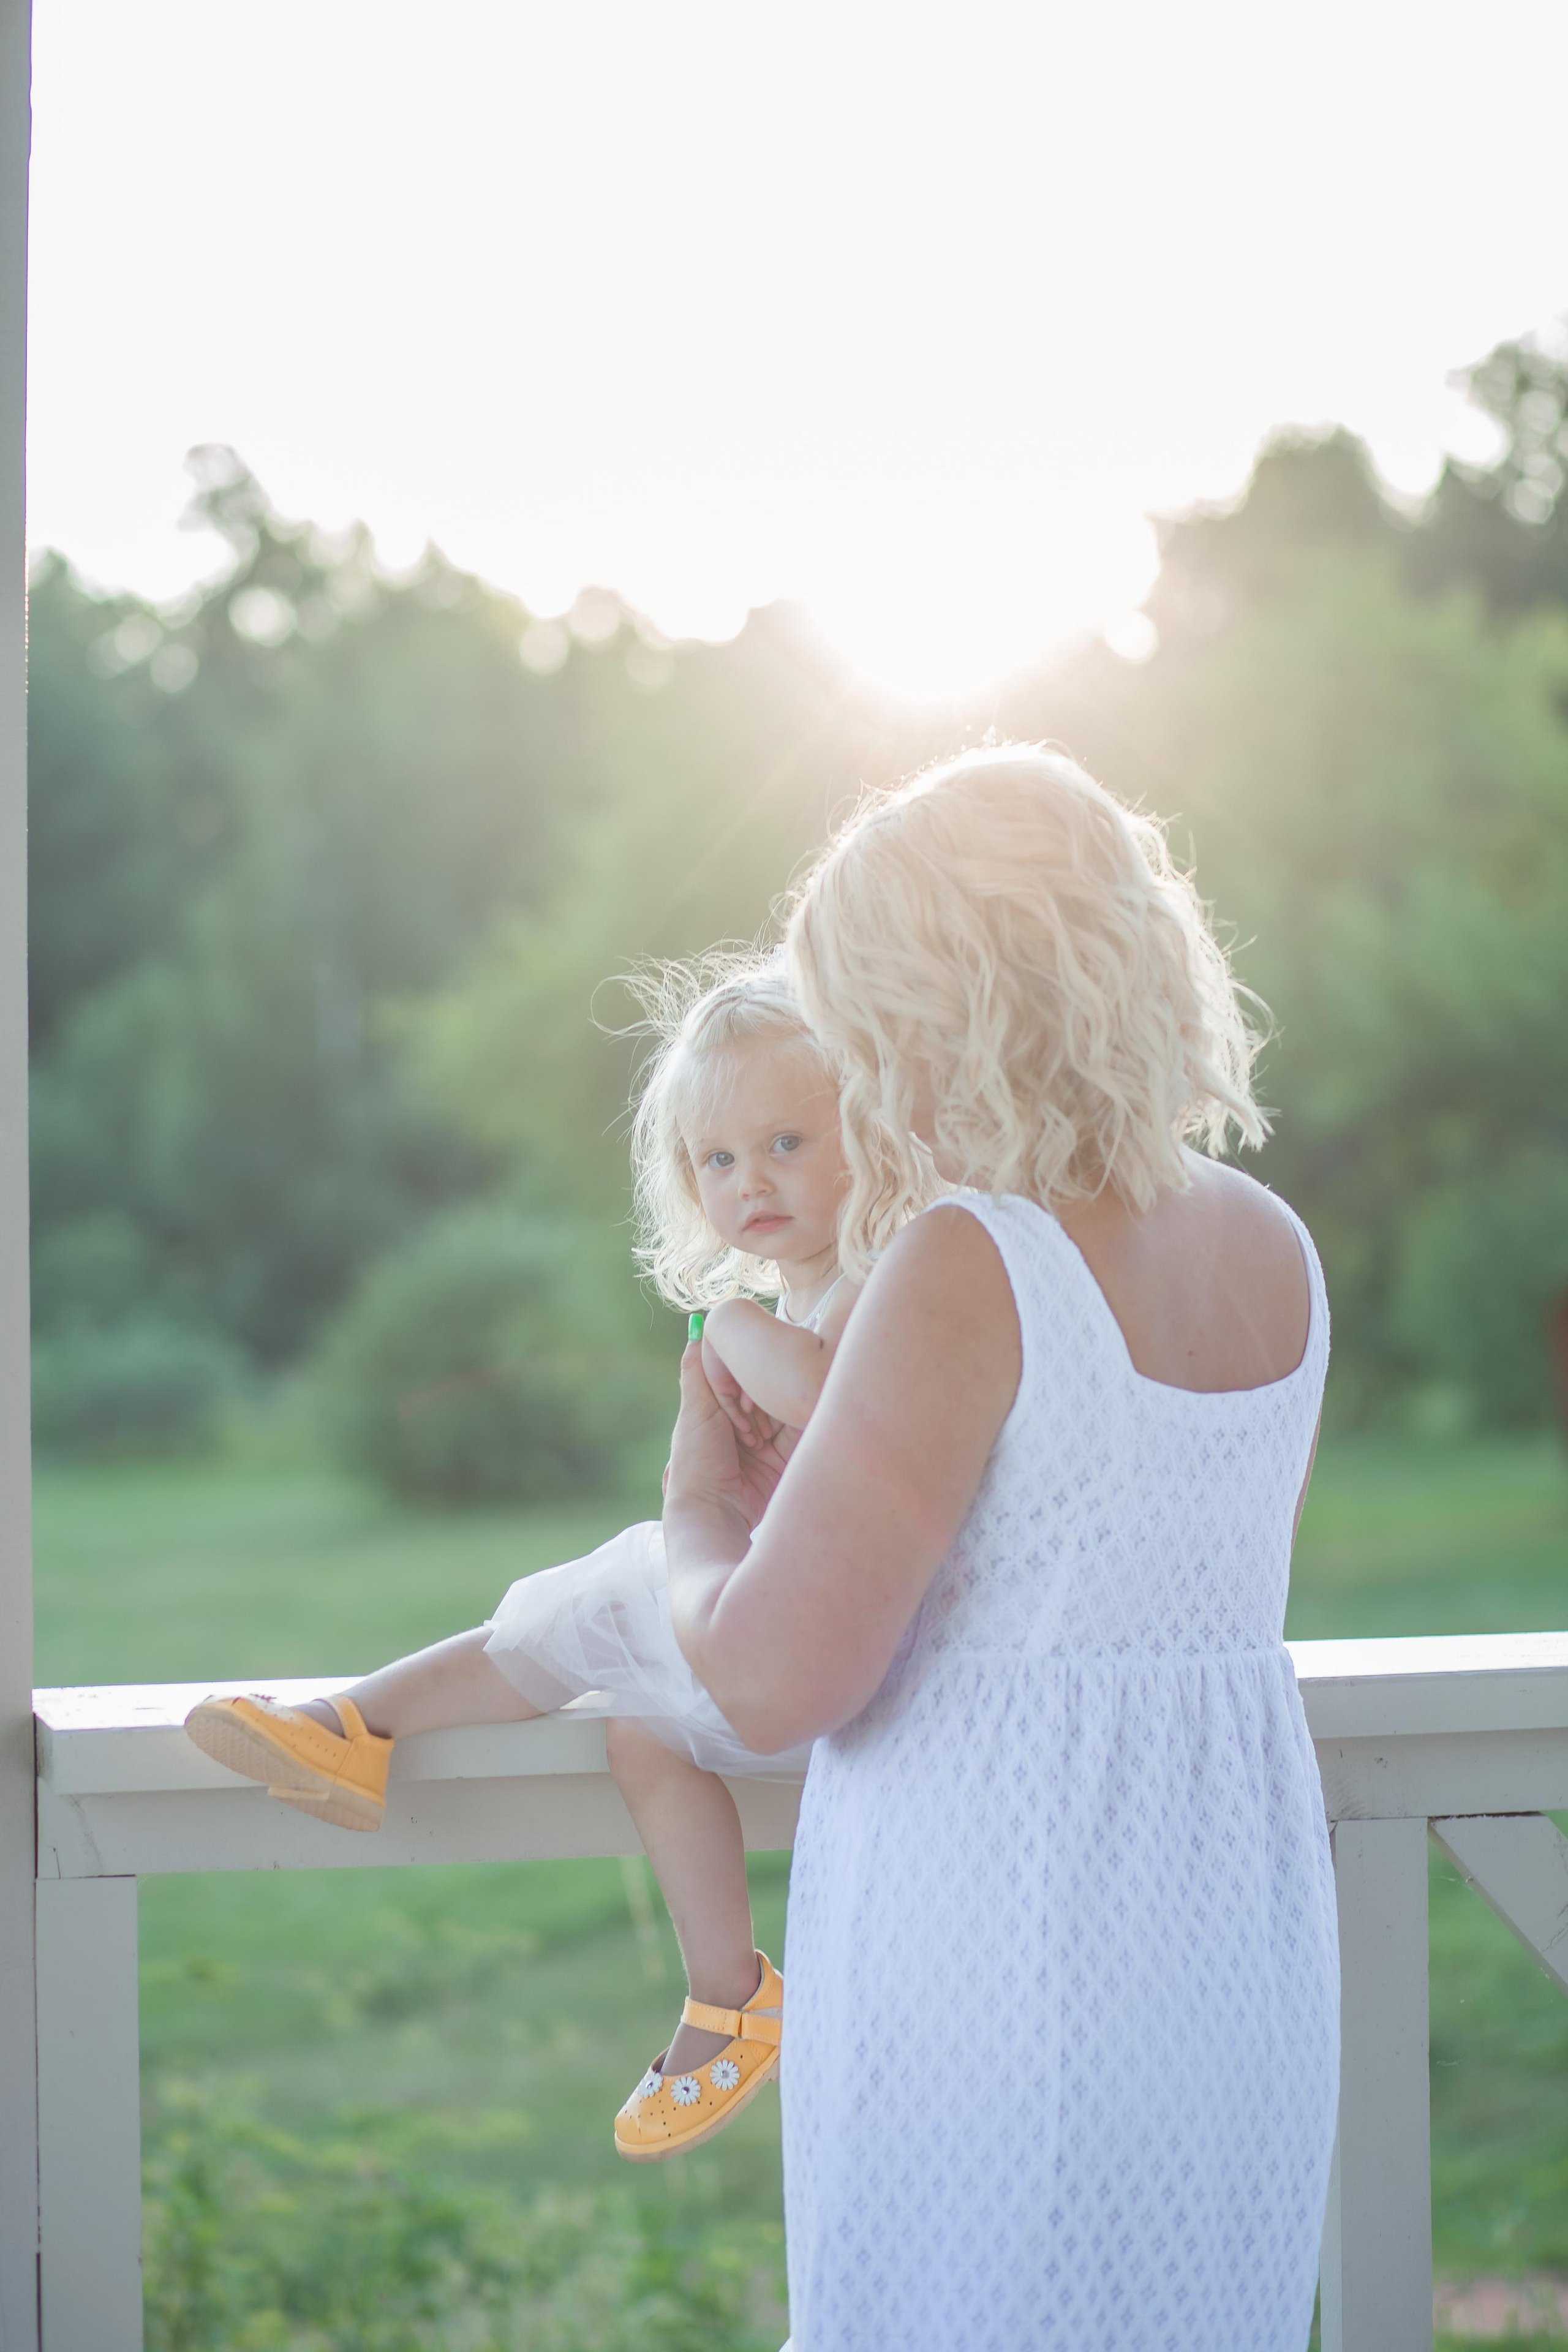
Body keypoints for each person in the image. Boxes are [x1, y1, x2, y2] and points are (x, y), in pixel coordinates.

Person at [661, 747, 1339, 2351]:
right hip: (1236, 1940)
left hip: (1007, 1946)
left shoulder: (972, 1262)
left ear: (933, 1007)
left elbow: (768, 1681)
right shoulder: (1269, 1239)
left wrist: (691, 1516)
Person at [185, 962, 925, 2160]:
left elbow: (837, 1405)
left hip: (845, 1662)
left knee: (612, 1587)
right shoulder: (789, 1299)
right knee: (638, 1728)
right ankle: (728, 1995)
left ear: (868, 1136)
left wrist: (736, 1328)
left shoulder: (877, 1279)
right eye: (718, 1161)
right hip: (793, 1654)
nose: (751, 1183)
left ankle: (358, 1724)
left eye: (787, 1141)